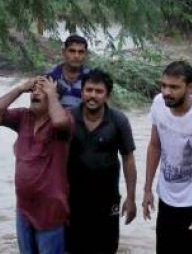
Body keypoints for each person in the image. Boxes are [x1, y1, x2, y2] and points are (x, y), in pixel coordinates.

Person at [0, 76, 73, 254]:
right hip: (24, 209)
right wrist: (20, 89)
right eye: (34, 89)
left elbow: (60, 122)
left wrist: (52, 94)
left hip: (51, 211)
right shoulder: (24, 117)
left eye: (43, 90)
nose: (35, 93)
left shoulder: (64, 119)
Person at [142, 60, 192, 254]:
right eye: (163, 85)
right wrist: (147, 189)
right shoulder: (158, 103)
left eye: (174, 87)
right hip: (166, 197)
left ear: (190, 88)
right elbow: (154, 146)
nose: (166, 92)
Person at [66, 69, 137, 254]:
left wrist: (131, 198)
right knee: (73, 248)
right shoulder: (68, 118)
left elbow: (128, 159)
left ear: (107, 95)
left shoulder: (118, 121)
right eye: (89, 90)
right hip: (73, 199)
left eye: (99, 91)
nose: (93, 95)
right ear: (82, 92)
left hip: (107, 199)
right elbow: (55, 157)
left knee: (107, 247)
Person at [47, 34, 90, 108]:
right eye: (72, 51)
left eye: (81, 52)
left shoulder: (92, 78)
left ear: (86, 54)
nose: (76, 56)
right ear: (64, 52)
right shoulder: (50, 76)